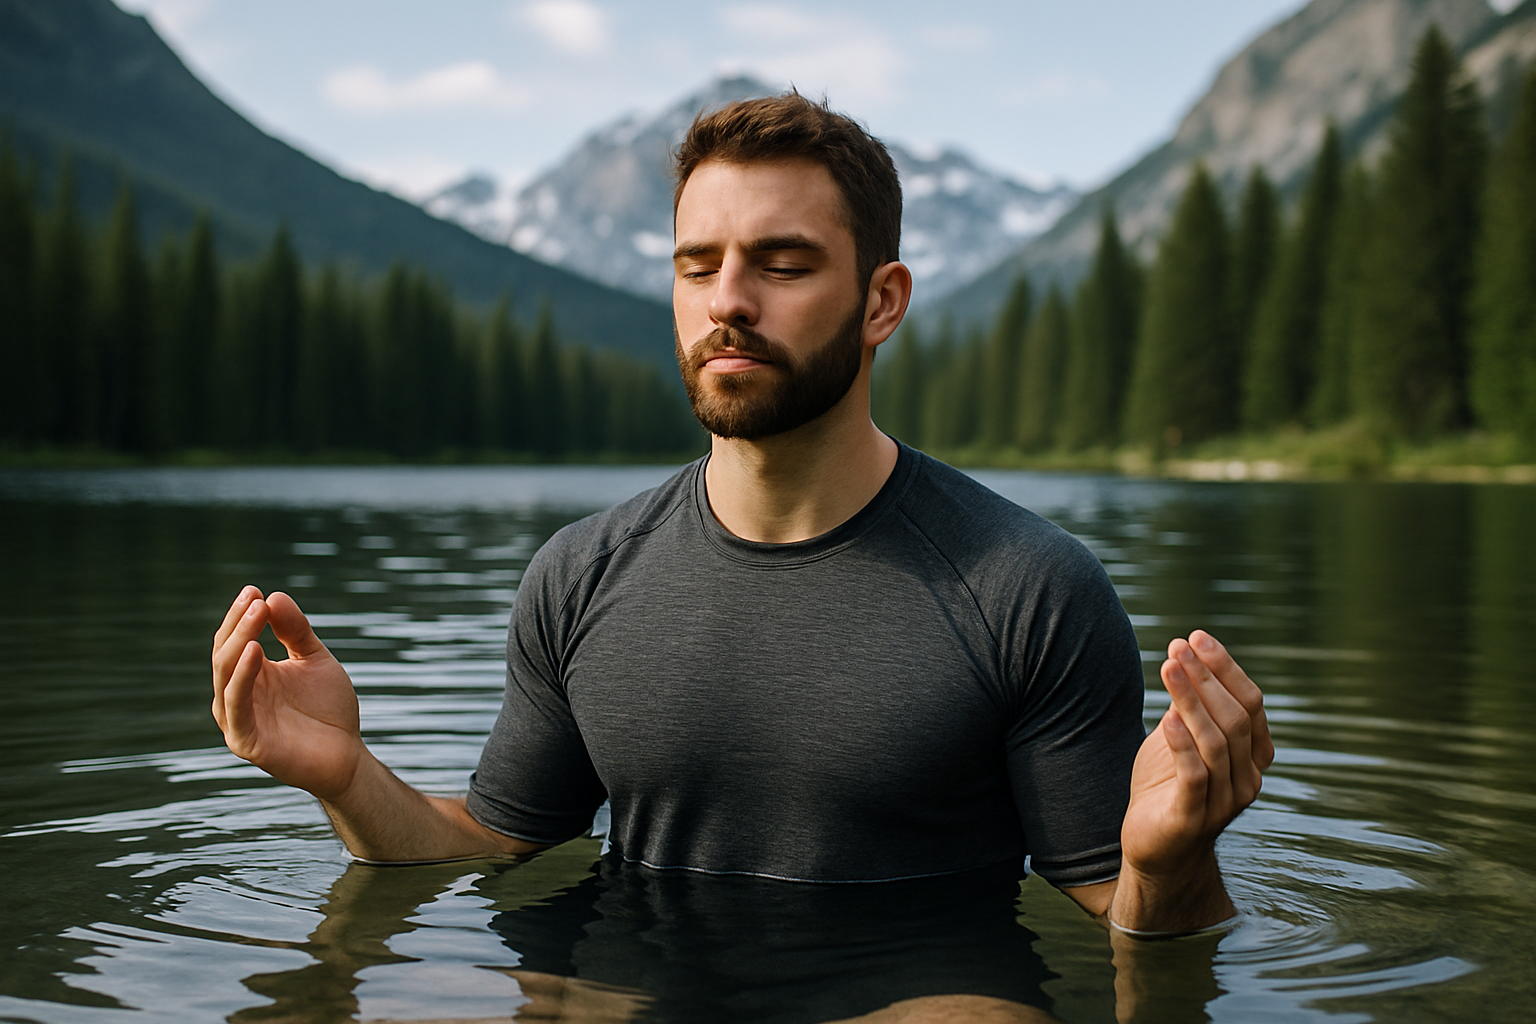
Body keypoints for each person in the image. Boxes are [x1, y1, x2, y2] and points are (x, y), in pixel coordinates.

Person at [211, 92, 1271, 941]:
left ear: (882, 302)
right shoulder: (580, 575)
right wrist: (345, 776)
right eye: (697, 266)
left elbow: (1125, 920)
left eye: (783, 264)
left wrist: (1171, 861)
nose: (727, 300)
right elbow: (486, 844)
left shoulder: (1029, 587)